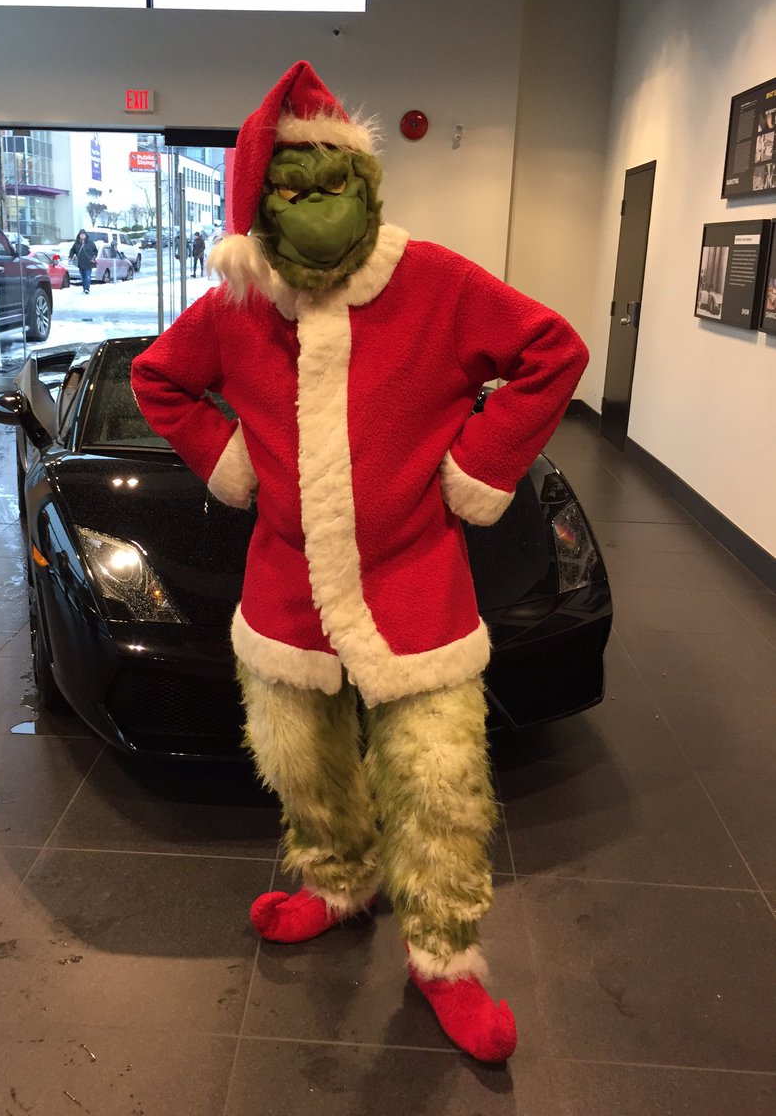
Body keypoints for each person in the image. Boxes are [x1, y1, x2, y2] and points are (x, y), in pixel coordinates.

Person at [131, 62, 588, 1065]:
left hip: (417, 583)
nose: (314, 206)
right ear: (259, 208)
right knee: (302, 758)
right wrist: (229, 458)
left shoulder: (434, 281)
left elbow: (552, 350)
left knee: (439, 777)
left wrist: (479, 463)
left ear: (366, 184)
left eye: (329, 183)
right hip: (285, 590)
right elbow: (157, 379)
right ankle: (339, 881)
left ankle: (445, 957)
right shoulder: (239, 306)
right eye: (289, 192)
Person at [68, 229, 97, 295]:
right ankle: (85, 288)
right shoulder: (76, 243)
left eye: (83, 234)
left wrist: (93, 257)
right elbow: (72, 250)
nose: (82, 236)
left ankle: (87, 289)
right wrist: (70, 256)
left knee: (88, 276)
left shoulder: (90, 243)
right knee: (83, 276)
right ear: (79, 235)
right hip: (80, 263)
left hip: (89, 262)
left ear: (86, 235)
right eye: (81, 235)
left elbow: (95, 251)